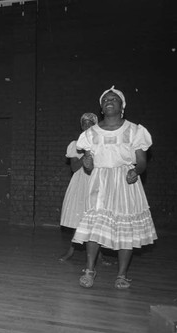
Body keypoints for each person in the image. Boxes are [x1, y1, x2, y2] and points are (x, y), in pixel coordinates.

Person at [72, 86, 157, 289]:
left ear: (122, 106)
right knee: (94, 228)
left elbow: (142, 162)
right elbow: (89, 164)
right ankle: (90, 270)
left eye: (114, 99)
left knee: (125, 229)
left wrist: (136, 171)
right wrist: (87, 162)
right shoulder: (91, 134)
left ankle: (121, 274)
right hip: (100, 182)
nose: (109, 101)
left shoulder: (135, 130)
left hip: (125, 181)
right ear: (101, 108)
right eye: (105, 100)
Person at [58, 113, 100, 261]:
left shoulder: (101, 144)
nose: (87, 126)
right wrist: (87, 153)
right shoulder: (75, 145)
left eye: (90, 123)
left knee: (97, 219)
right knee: (79, 217)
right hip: (80, 182)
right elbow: (75, 168)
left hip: (95, 182)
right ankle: (71, 250)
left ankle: (97, 255)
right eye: (84, 124)